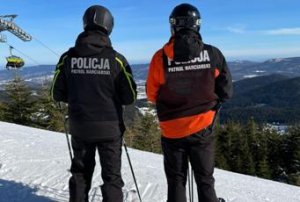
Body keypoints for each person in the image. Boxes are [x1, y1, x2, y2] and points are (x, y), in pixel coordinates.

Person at [146, 3, 233, 202]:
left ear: (173, 26)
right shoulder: (213, 54)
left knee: (176, 180)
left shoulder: (160, 58)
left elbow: (151, 94)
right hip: (203, 127)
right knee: (205, 180)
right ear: (197, 26)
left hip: (172, 129)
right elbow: (226, 92)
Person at [51, 5, 137, 202]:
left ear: (85, 24)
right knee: (112, 178)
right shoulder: (117, 59)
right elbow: (130, 97)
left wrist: (77, 96)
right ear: (109, 26)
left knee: (80, 174)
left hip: (80, 126)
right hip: (110, 129)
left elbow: (56, 93)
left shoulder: (67, 58)